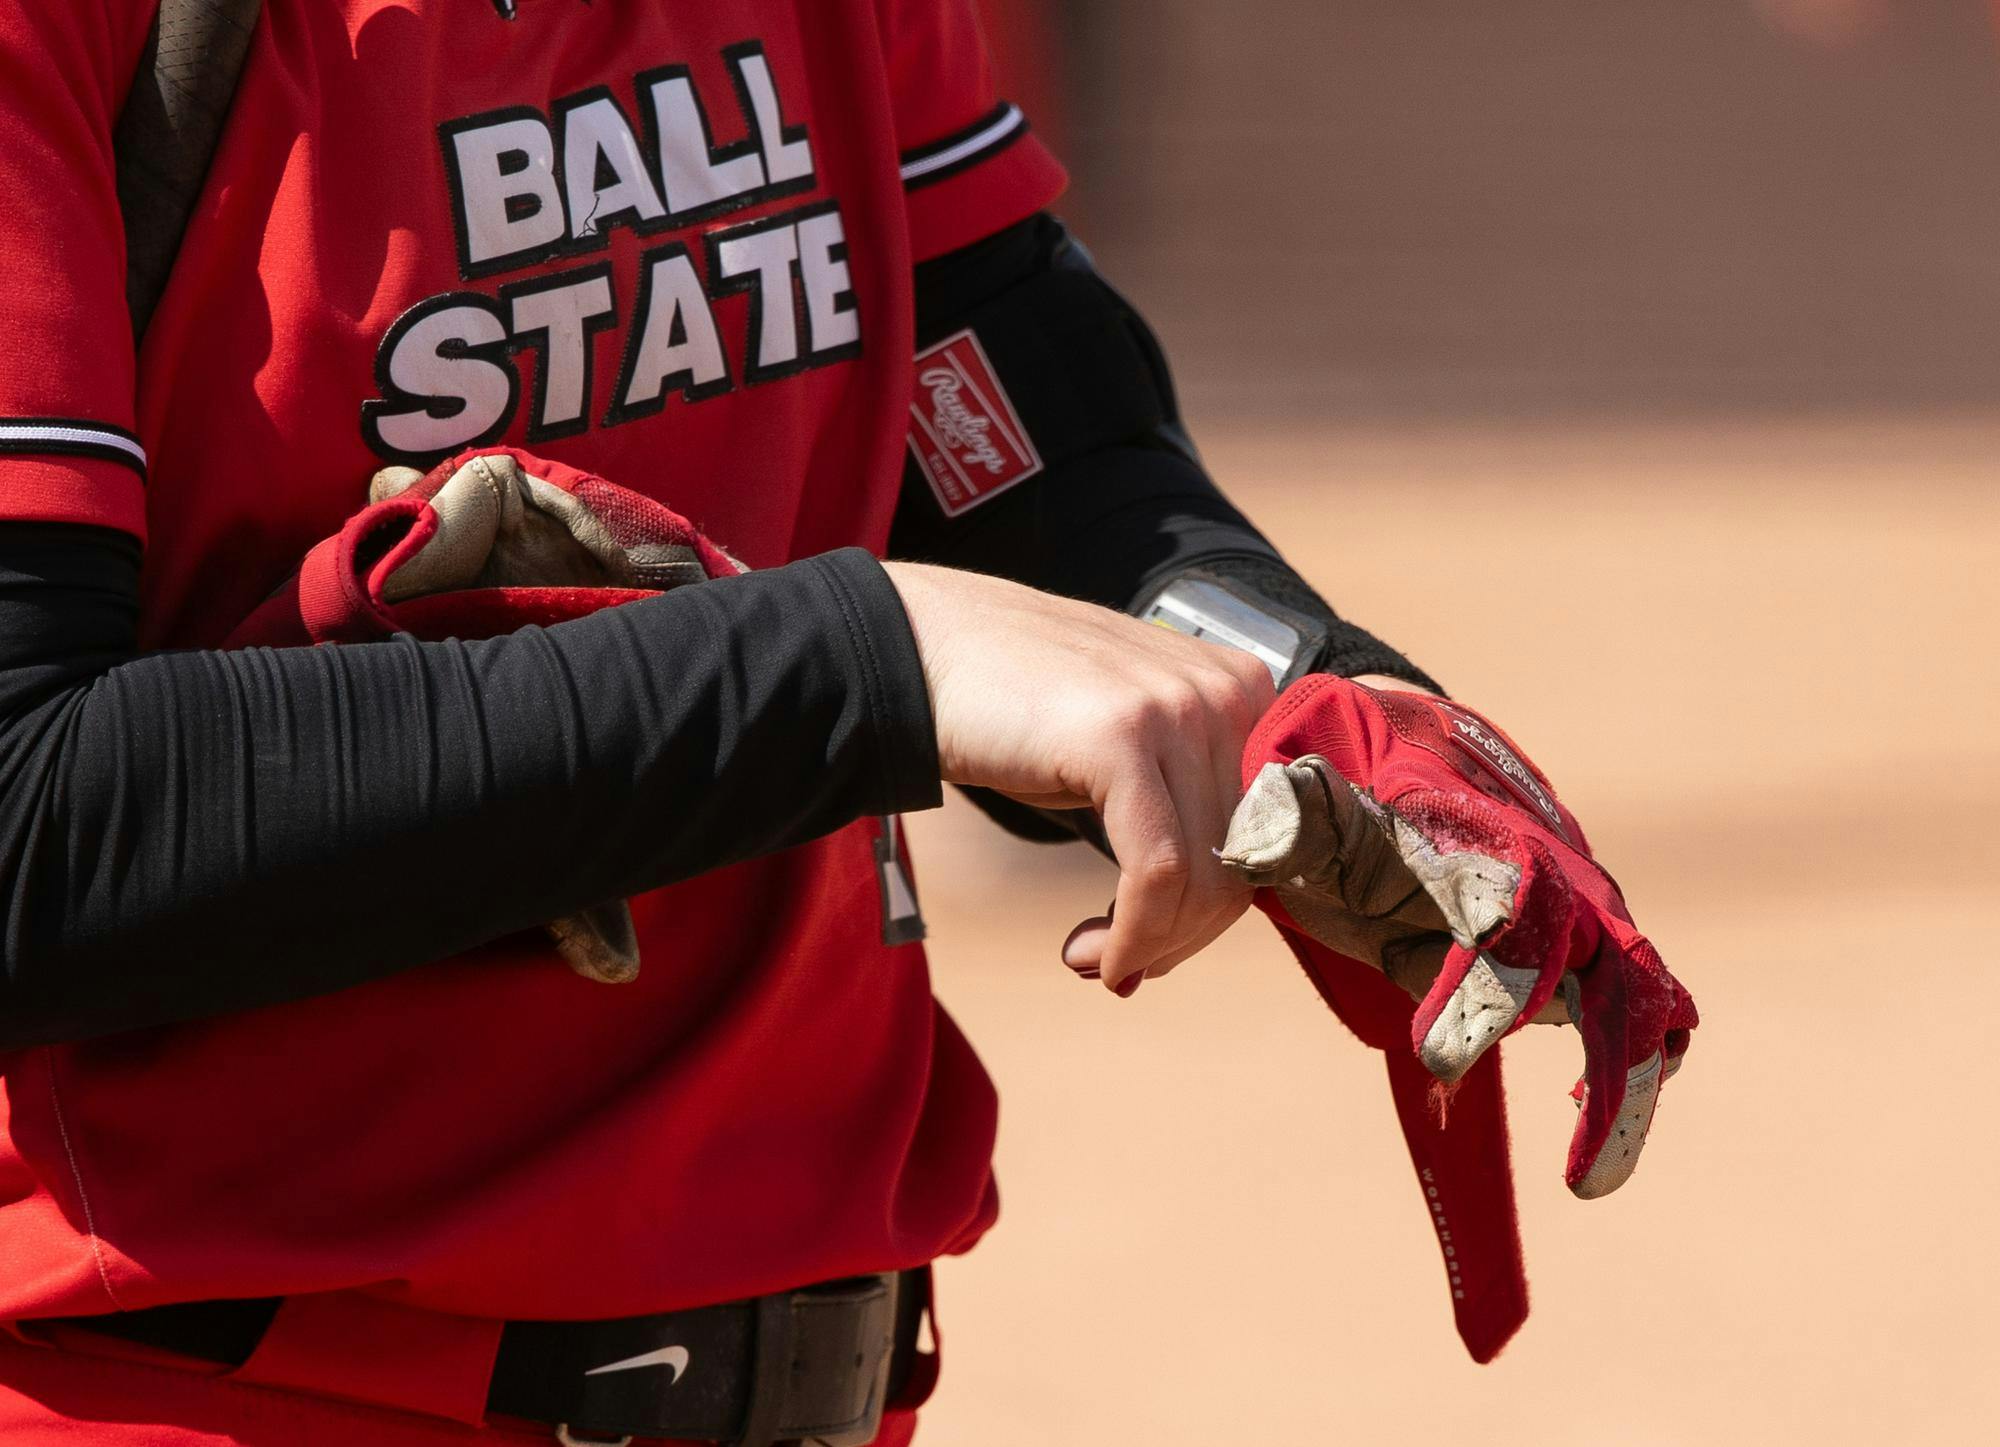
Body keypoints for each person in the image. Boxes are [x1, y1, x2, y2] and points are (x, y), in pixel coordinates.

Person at [0, 3, 1683, 1443]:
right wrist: (862, 659)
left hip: (828, 1370)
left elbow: (1016, 427)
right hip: (208, 1381)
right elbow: (27, 829)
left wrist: (1294, 682)